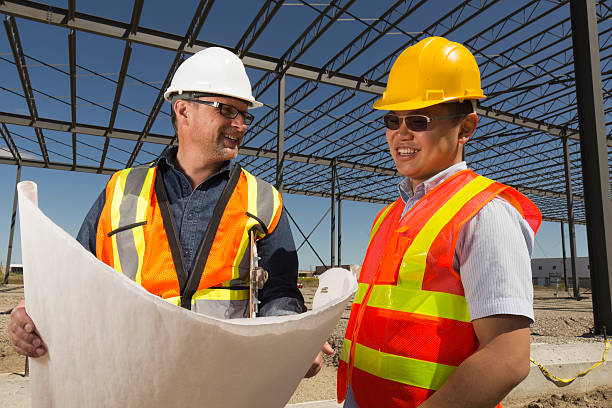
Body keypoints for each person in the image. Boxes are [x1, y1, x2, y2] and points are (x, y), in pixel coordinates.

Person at [9, 47, 332, 377]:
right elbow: (73, 277)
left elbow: (280, 294)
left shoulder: (264, 200)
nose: (241, 125)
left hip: (224, 384)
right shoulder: (122, 189)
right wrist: (31, 311)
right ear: (183, 110)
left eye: (244, 114)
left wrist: (291, 339)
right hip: (131, 380)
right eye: (228, 110)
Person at [337, 36, 542, 407]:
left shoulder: (485, 213)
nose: (401, 133)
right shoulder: (390, 215)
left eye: (419, 120)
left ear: (465, 129)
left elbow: (508, 357)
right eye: (392, 119)